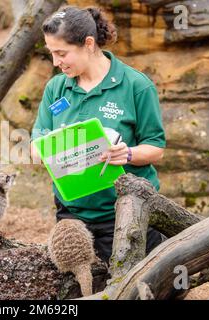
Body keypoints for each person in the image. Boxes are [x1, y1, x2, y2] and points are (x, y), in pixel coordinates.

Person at [31, 6, 167, 262]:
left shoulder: (136, 86)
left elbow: (156, 147)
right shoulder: (56, 88)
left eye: (61, 53)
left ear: (89, 44)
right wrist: (48, 150)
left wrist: (127, 153)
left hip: (126, 213)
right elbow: (36, 145)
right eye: (51, 53)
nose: (55, 62)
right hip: (71, 216)